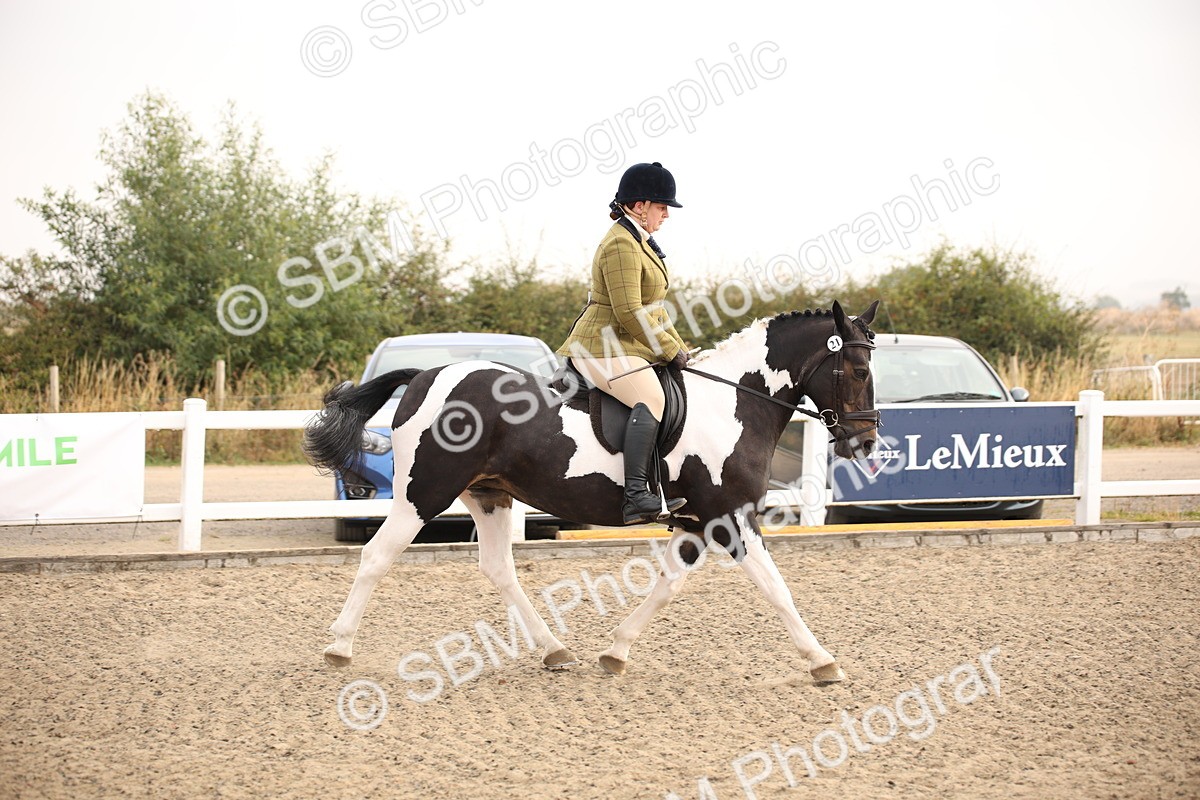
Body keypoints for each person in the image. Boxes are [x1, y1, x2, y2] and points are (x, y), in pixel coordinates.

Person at [557, 162, 690, 525]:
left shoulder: (640, 241)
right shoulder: (620, 243)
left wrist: (681, 347)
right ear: (640, 205)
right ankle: (636, 497)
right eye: (662, 207)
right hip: (600, 346)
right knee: (651, 398)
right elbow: (630, 311)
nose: (666, 215)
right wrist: (667, 350)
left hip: (625, 345)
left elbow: (655, 309)